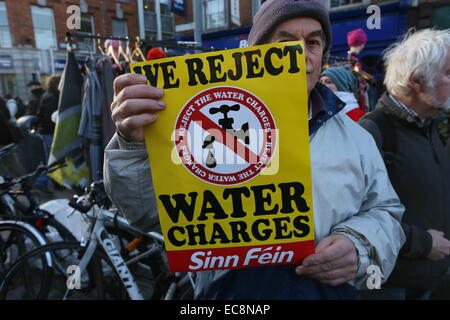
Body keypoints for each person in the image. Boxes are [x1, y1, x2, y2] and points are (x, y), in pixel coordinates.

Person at [104, 0, 405, 299]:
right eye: (284, 43)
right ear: (257, 55)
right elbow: (144, 213)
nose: (301, 57)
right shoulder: (202, 126)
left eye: (312, 42)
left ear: (323, 54)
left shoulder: (356, 137)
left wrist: (360, 245)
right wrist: (132, 144)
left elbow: (385, 212)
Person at [359, 28, 450, 300]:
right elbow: (356, 221)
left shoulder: (429, 124)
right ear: (417, 81)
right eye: (448, 73)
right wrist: (421, 243)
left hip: (432, 278)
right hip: (392, 286)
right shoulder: (374, 131)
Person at [35, 75, 61, 193]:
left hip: (45, 131)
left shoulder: (47, 94)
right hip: (49, 131)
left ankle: (56, 183)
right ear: (56, 85)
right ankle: (41, 181)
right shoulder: (51, 97)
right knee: (53, 160)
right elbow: (51, 117)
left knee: (52, 159)